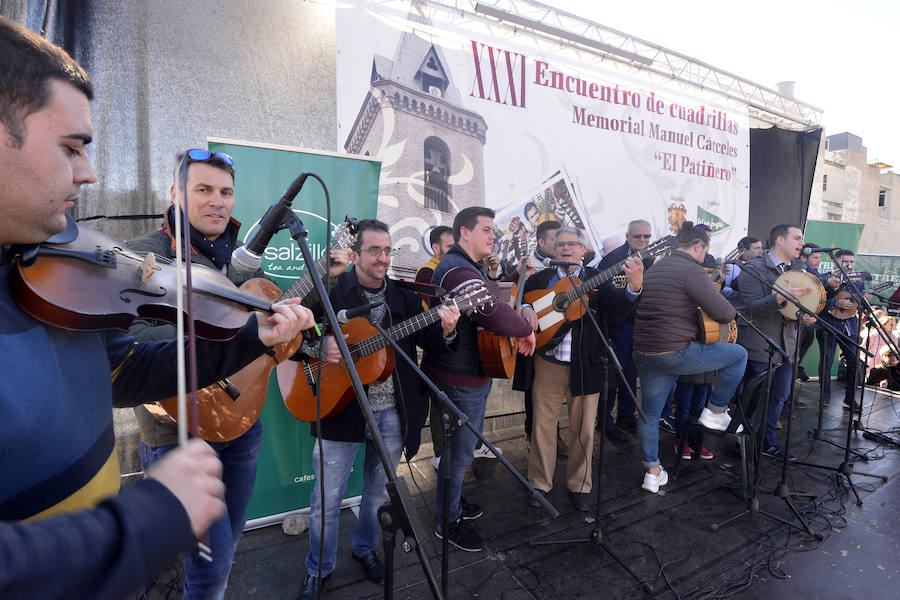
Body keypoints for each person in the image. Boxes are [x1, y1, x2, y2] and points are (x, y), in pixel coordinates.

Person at [0, 17, 314, 599]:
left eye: (226, 192)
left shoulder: (53, 263)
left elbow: (123, 370)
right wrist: (142, 519)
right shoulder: (133, 256)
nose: (89, 172)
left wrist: (253, 339)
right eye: (70, 147)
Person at [125, 150, 346, 600]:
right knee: (210, 571)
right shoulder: (143, 255)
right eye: (203, 190)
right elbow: (136, 341)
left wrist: (305, 329)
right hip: (177, 434)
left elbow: (268, 342)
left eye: (225, 192)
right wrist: (239, 330)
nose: (217, 201)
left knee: (226, 548)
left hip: (242, 423)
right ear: (175, 193)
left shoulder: (246, 263)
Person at [296, 219, 460, 599]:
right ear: (354, 254)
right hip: (338, 409)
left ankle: (366, 549)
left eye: (387, 250)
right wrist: (318, 347)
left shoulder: (402, 298)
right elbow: (293, 331)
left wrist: (448, 327)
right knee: (326, 497)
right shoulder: (330, 293)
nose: (383, 258)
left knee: (377, 494)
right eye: (374, 250)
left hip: (391, 413)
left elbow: (429, 341)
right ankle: (318, 569)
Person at [422, 206, 535, 552]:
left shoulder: (467, 267)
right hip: (458, 377)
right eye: (486, 230)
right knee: (458, 456)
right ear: (464, 232)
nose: (492, 236)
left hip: (470, 374)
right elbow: (492, 313)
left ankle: (453, 506)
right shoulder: (456, 270)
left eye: (493, 231)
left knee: (462, 452)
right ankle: (448, 522)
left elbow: (494, 303)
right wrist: (526, 326)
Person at [523, 227, 642, 510]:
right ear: (553, 248)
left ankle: (580, 484)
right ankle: (540, 483)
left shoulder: (597, 279)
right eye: (560, 244)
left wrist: (634, 287)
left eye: (572, 244)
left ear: (583, 249)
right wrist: (525, 308)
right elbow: (524, 302)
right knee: (542, 428)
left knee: (584, 429)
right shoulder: (539, 278)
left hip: (586, 364)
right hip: (547, 363)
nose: (565, 248)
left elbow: (617, 306)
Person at [632, 222, 747, 493]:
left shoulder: (659, 266)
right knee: (738, 355)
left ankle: (653, 472)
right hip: (674, 352)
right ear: (698, 246)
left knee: (649, 414)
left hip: (645, 353)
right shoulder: (691, 270)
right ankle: (716, 411)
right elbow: (725, 313)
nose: (704, 256)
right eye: (704, 250)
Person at [738, 224, 815, 460]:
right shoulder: (753, 268)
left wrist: (806, 314)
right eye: (797, 238)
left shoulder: (799, 268)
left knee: (779, 396)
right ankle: (744, 442)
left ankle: (766, 441)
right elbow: (752, 307)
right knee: (755, 396)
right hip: (760, 342)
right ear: (779, 240)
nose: (802, 243)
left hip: (788, 345)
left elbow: (804, 301)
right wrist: (781, 297)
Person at [594, 219, 656, 442]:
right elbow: (605, 294)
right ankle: (605, 421)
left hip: (640, 324)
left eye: (646, 236)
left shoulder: (651, 258)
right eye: (637, 236)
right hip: (618, 324)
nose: (642, 240)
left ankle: (626, 415)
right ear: (628, 236)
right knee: (614, 374)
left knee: (631, 372)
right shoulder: (614, 259)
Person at [513, 219, 563, 452]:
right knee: (533, 387)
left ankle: (554, 434)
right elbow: (514, 295)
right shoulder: (528, 264)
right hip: (533, 336)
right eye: (555, 239)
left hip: (557, 338)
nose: (560, 243)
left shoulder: (565, 266)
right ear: (541, 241)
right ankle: (532, 434)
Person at [817, 249, 868, 410]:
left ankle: (850, 399)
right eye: (846, 262)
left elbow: (859, 303)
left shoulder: (858, 281)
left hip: (850, 327)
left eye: (852, 262)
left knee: (854, 362)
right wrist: (835, 304)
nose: (849, 265)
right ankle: (825, 395)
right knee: (827, 361)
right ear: (835, 262)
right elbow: (816, 301)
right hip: (828, 325)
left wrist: (863, 301)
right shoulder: (824, 278)